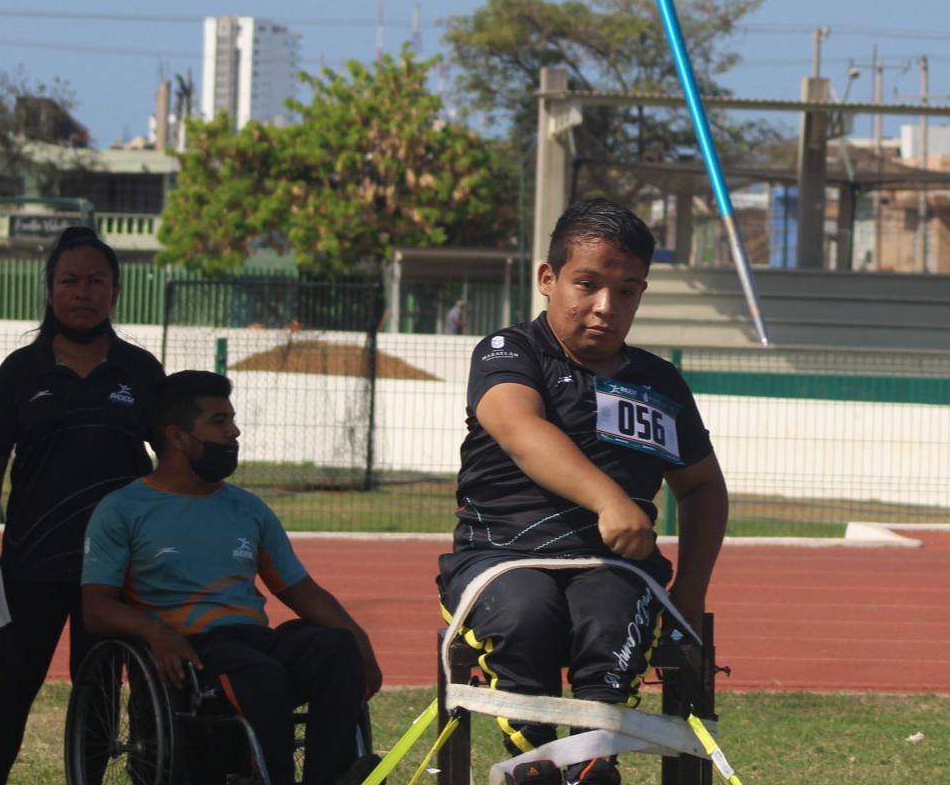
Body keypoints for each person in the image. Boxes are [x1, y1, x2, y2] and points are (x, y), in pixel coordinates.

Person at [437, 199, 729, 785]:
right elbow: (521, 431)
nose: (606, 307)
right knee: (526, 614)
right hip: (499, 560)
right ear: (548, 279)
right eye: (588, 284)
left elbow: (701, 486)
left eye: (627, 291)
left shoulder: (659, 381)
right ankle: (536, 763)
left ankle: (593, 765)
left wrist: (691, 593)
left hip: (615, 567)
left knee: (612, 614)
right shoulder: (507, 352)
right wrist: (609, 500)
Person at [81, 370, 382, 785]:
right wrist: (155, 633)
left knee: (334, 645)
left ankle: (330, 777)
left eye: (232, 420)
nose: (234, 432)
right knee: (258, 671)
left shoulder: (248, 508)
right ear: (178, 436)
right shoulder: (123, 509)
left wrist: (360, 641)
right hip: (191, 652)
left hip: (253, 641)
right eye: (219, 421)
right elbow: (96, 608)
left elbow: (301, 590)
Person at [0, 225, 166, 785]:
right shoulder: (20, 370)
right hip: (33, 558)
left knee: (99, 688)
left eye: (95, 281)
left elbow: (173, 458)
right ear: (51, 289)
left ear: (115, 292)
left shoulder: (140, 370)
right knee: (12, 685)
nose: (82, 292)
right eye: (70, 281)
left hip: (115, 565)